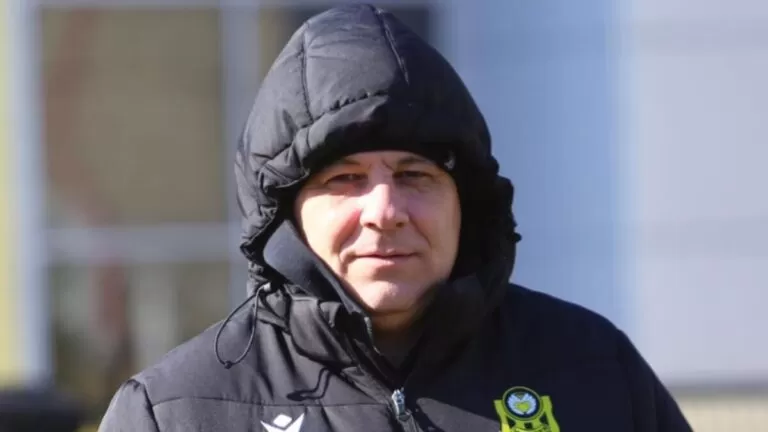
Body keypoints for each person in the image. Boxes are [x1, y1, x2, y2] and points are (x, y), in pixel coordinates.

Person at [98, 4, 692, 431]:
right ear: (286, 212)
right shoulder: (177, 411)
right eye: (344, 179)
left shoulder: (596, 370)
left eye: (415, 176)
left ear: (466, 201)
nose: (385, 212)